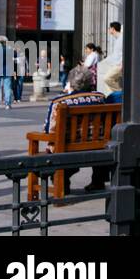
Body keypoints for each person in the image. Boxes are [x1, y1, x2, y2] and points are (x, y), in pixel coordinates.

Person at [40, 64, 109, 194]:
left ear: (70, 82)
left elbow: (49, 130)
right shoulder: (100, 98)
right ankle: (98, 181)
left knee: (53, 144)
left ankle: (63, 183)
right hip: (98, 145)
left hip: (68, 147)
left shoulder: (59, 101)